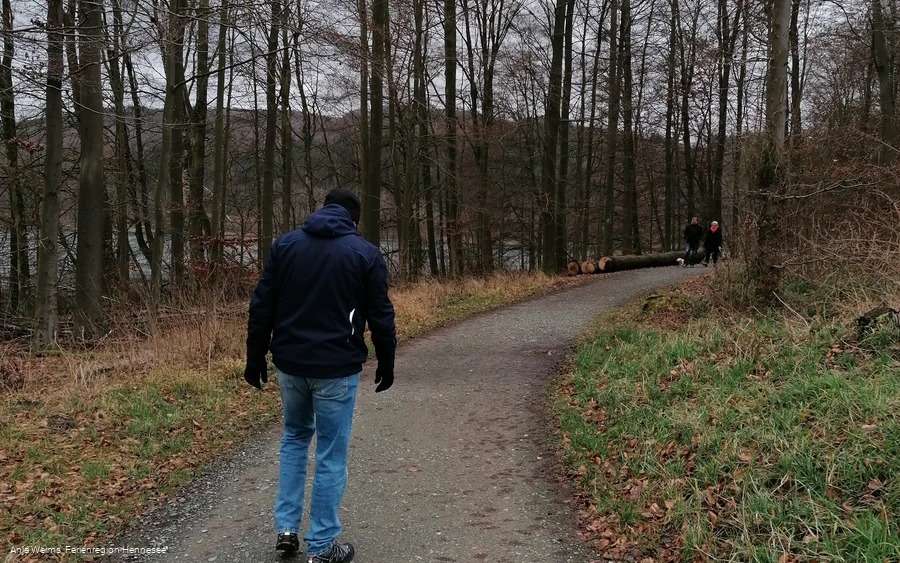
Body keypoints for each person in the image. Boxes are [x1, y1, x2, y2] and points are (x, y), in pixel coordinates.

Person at [245, 188, 396, 563]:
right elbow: (380, 314)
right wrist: (387, 359)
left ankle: (286, 529)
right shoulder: (364, 254)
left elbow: (262, 304)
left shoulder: (285, 246)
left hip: (290, 364)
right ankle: (322, 545)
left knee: (294, 439)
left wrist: (255, 355)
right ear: (353, 220)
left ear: (323, 209)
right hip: (336, 368)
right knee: (330, 453)